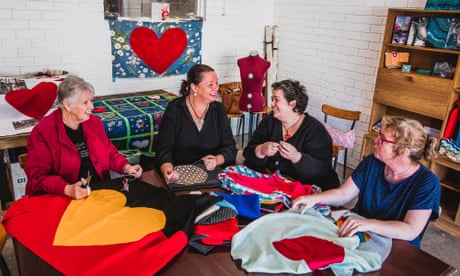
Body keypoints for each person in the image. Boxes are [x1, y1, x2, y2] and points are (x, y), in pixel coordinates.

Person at [292, 115, 440, 248]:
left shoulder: (427, 183)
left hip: (396, 244)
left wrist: (368, 224)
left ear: (403, 152)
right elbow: (344, 194)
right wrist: (313, 198)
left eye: (382, 139)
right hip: (359, 229)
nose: (376, 140)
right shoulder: (372, 162)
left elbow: (410, 230)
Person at [25, 75, 143, 200]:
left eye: (91, 101)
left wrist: (127, 167)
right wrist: (67, 189)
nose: (91, 107)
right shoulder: (43, 132)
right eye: (85, 103)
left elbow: (110, 154)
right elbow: (37, 177)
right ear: (67, 105)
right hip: (62, 197)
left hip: (97, 191)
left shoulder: (94, 123)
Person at [243, 79, 340, 190]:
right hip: (278, 187)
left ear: (292, 103)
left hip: (310, 192)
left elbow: (323, 171)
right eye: (272, 100)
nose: (272, 104)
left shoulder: (315, 131)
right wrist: (260, 150)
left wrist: (297, 158)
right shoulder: (270, 121)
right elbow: (248, 153)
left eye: (276, 100)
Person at [156, 64, 237, 183]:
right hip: (179, 175)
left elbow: (230, 148)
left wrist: (217, 160)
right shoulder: (175, 109)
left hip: (211, 175)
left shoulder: (218, 110)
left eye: (216, 83)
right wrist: (167, 170)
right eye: (210, 85)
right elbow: (164, 150)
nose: (216, 88)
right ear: (194, 88)